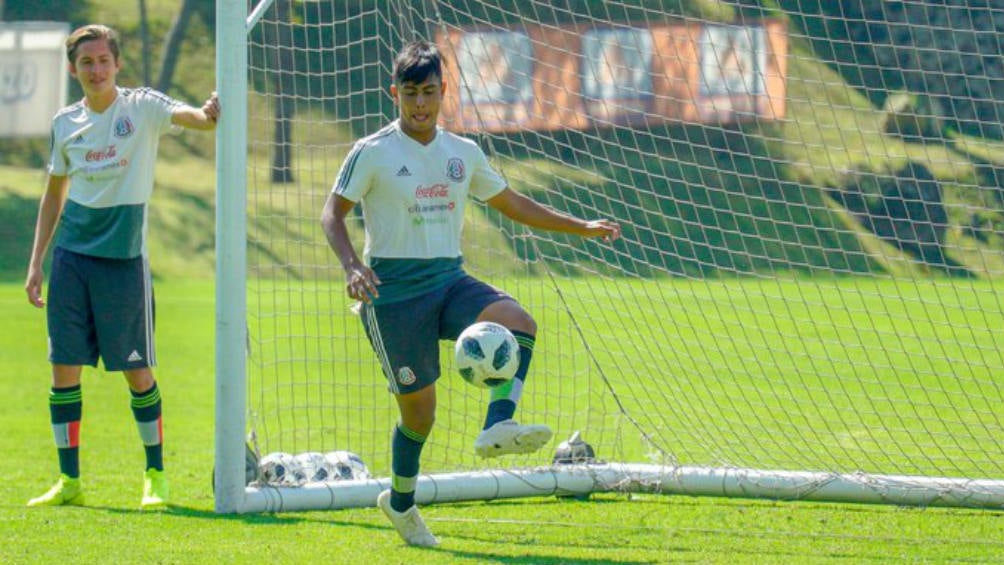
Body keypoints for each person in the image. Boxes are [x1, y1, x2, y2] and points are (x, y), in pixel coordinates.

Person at [320, 40, 621, 546]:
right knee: (420, 415)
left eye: (430, 92)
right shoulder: (372, 152)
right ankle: (400, 502)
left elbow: (513, 203)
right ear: (395, 93)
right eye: (411, 93)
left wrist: (581, 227)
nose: (420, 104)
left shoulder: (463, 153)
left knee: (518, 320)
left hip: (448, 279)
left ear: (444, 92)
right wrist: (352, 266)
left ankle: (498, 422)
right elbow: (332, 213)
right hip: (392, 294)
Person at [24, 24, 220, 509]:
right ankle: (69, 481)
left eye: (103, 61)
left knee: (138, 373)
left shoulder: (142, 107)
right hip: (71, 258)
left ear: (117, 65)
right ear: (73, 70)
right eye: (86, 62)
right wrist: (36, 264)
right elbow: (53, 195)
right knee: (62, 369)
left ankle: (155, 475)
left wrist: (210, 113)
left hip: (123, 262)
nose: (95, 69)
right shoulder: (64, 123)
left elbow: (193, 119)